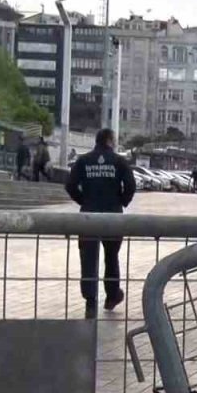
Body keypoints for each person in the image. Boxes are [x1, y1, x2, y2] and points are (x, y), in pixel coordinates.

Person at [65, 128, 136, 319]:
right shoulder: (119, 161)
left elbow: (70, 185)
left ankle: (90, 302)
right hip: (112, 216)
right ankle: (112, 295)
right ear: (110, 141)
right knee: (111, 257)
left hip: (88, 217)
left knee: (88, 259)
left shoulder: (83, 161)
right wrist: (121, 201)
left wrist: (84, 201)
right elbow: (130, 186)